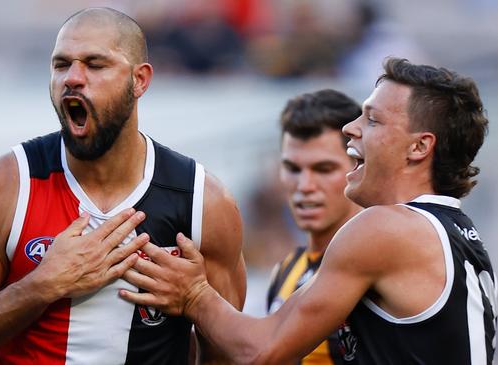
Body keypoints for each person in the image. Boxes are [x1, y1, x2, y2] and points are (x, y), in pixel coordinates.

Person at [0, 7, 246, 365]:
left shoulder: (201, 200)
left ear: (140, 80)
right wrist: (40, 287)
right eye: (61, 65)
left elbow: (230, 353)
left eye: (95, 64)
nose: (72, 77)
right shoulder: (9, 183)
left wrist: (196, 299)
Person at [121, 57, 496, 364]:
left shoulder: (386, 228)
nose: (351, 128)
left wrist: (194, 295)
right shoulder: (454, 233)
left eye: (373, 119)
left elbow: (262, 351)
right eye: (293, 168)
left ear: (419, 148)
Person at [267, 89, 362, 364]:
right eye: (293, 169)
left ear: (358, 167)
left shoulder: (384, 266)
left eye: (324, 169)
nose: (305, 186)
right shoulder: (285, 270)